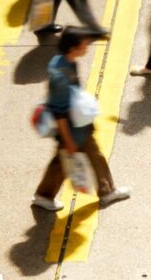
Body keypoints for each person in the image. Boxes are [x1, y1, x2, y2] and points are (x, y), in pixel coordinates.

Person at [33, 28, 130, 211]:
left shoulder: (65, 62)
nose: (87, 46)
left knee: (87, 157)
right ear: (73, 48)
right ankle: (44, 195)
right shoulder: (60, 77)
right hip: (72, 130)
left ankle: (106, 191)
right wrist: (68, 140)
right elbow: (60, 114)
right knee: (63, 162)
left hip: (78, 126)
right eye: (84, 44)